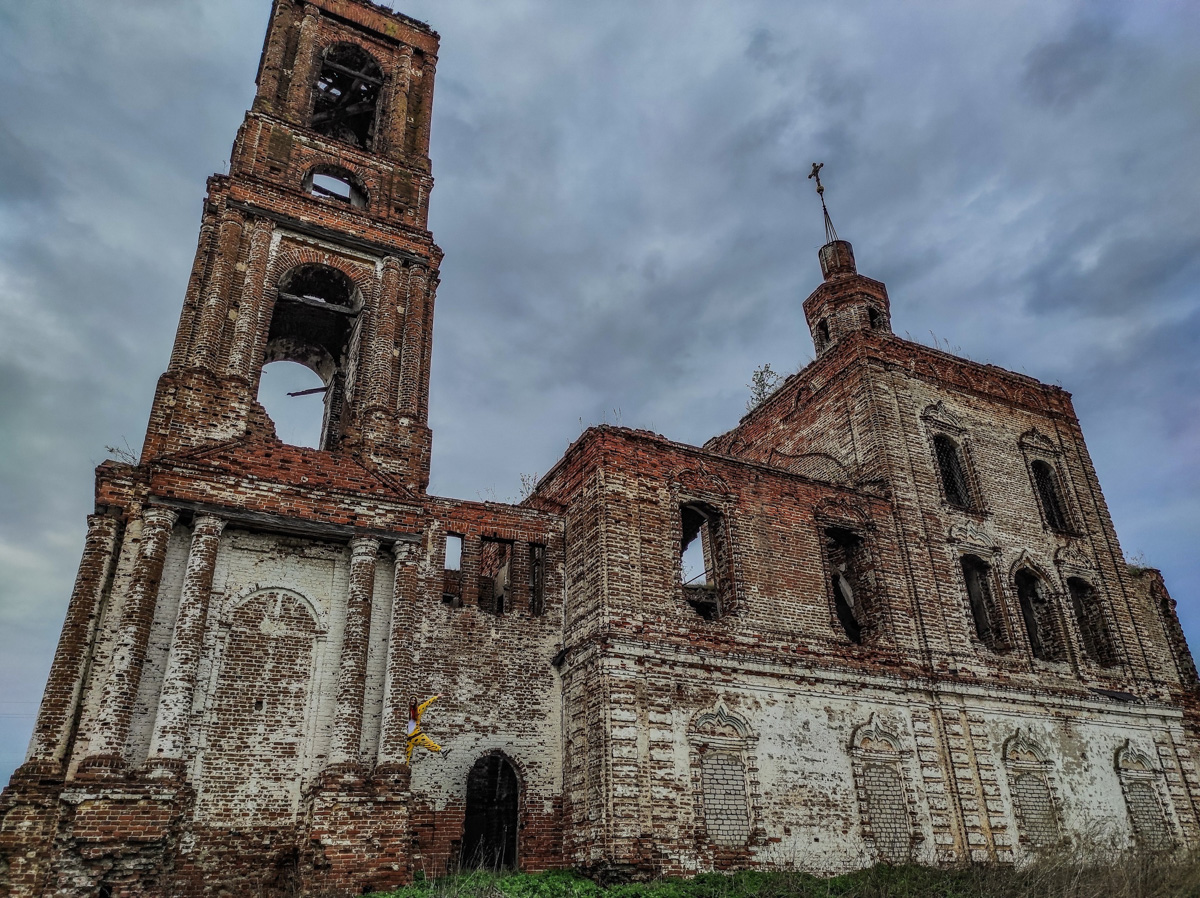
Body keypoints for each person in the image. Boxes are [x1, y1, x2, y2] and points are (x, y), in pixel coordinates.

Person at [405, 693, 442, 764]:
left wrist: (436, 697)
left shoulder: (418, 710)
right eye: (411, 700)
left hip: (416, 734)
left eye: (414, 700)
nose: (412, 701)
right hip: (408, 738)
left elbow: (426, 704)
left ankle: (441, 750)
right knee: (406, 756)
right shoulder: (405, 711)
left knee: (428, 742)